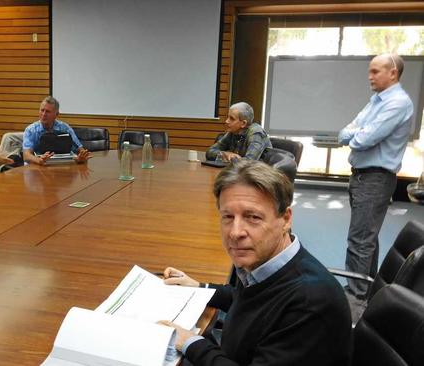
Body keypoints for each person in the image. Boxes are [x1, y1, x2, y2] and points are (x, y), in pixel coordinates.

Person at [158, 160, 351, 366]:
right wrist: (199, 287)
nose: (235, 232)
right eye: (228, 216)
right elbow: (252, 300)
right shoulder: (263, 263)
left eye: (253, 217)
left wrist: (190, 342)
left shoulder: (309, 304)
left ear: (285, 219)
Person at [338, 53, 414, 311]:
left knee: (360, 240)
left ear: (393, 73)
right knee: (365, 237)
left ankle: (355, 297)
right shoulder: (377, 101)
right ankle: (366, 289)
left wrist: (356, 133)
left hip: (375, 178)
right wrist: (356, 132)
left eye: (375, 71)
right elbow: (345, 131)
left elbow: (362, 139)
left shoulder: (398, 103)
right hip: (362, 175)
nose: (369, 77)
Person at [22, 96, 91, 165]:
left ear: (56, 114)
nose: (44, 114)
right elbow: (26, 155)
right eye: (42, 110)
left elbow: (80, 150)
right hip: (37, 167)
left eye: (48, 111)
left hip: (62, 166)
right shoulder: (31, 130)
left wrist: (81, 157)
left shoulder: (65, 128)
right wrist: (39, 160)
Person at [206, 102, 272, 162]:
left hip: (259, 174)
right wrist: (224, 154)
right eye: (228, 117)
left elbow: (249, 162)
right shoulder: (233, 132)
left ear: (243, 123)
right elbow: (209, 152)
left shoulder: (256, 133)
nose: (226, 121)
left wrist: (232, 158)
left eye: (231, 118)